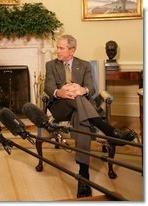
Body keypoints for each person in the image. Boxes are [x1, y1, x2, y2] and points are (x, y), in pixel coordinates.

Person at [44, 34, 137, 198]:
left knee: (81, 116)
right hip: (60, 106)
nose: (56, 50)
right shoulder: (51, 65)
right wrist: (62, 92)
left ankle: (83, 176)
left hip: (79, 108)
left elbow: (91, 88)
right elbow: (48, 87)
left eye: (60, 48)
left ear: (71, 50)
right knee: (77, 98)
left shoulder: (84, 65)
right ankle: (110, 131)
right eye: (57, 47)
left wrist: (82, 90)